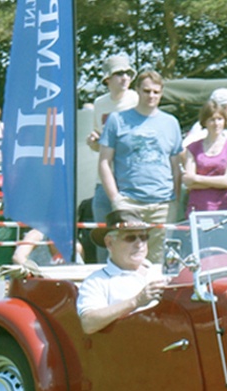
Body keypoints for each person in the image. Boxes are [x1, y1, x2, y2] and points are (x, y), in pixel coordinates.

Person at [98, 70, 183, 265]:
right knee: (125, 259)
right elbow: (104, 162)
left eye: (156, 92)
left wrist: (175, 201)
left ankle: (154, 296)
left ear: (161, 93)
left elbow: (176, 166)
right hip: (129, 202)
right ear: (137, 90)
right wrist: (116, 199)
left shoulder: (171, 123)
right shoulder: (117, 120)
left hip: (163, 204)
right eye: (146, 91)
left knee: (160, 262)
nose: (151, 96)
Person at [77, 209, 165, 335]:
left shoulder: (161, 271)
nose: (139, 244)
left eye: (144, 237)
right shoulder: (97, 281)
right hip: (128, 349)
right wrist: (136, 301)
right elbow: (88, 323)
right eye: (130, 238)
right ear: (109, 242)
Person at [88, 55, 139, 263]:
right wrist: (93, 142)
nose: (125, 77)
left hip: (132, 181)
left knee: (133, 240)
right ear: (107, 79)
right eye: (119, 73)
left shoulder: (137, 99)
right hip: (103, 182)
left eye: (128, 73)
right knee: (104, 239)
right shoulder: (99, 104)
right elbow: (100, 143)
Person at [182, 101, 227, 217]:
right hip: (197, 208)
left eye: (219, 119)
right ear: (205, 122)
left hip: (224, 208)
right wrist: (218, 182)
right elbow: (189, 182)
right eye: (211, 119)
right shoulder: (192, 148)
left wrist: (197, 178)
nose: (216, 123)